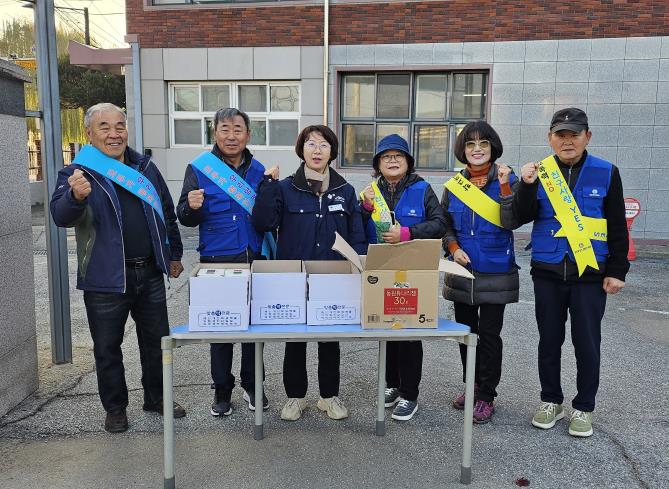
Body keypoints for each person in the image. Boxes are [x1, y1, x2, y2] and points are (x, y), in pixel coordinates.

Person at [50, 103, 185, 433]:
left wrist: (173, 253)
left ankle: (157, 397)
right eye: (105, 127)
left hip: (149, 272)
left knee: (157, 342)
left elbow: (166, 211)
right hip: (104, 278)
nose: (114, 133)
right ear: (89, 134)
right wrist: (75, 198)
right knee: (107, 348)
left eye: (120, 126)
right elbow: (60, 216)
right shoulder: (78, 172)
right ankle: (115, 408)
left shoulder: (144, 167)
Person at [514, 107, 629, 437]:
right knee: (549, 341)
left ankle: (584, 407)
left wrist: (618, 270)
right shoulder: (540, 172)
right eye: (560, 135)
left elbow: (617, 224)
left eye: (574, 134)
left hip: (590, 274)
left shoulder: (607, 172)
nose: (567, 141)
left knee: (587, 343)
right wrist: (525, 185)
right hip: (548, 271)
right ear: (550, 139)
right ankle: (551, 400)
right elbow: (520, 216)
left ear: (587, 137)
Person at [253, 125, 367, 421]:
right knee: (295, 338)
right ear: (301, 150)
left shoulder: (345, 190)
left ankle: (328, 397)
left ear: (332, 152)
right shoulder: (285, 188)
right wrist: (267, 186)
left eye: (324, 145)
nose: (317, 150)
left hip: (334, 276)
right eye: (311, 144)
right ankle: (295, 397)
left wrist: (359, 269)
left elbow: (356, 235)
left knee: (330, 338)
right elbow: (264, 222)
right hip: (295, 275)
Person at [177, 108, 268, 416]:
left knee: (254, 328)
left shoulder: (258, 170)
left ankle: (253, 385)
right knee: (220, 327)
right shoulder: (199, 168)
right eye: (225, 129)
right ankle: (222, 389)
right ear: (214, 133)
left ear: (248, 135)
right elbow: (184, 216)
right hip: (217, 258)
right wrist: (191, 206)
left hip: (253, 256)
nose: (231, 136)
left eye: (238, 129)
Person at [360, 134, 447, 422]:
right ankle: (393, 384)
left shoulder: (422, 189)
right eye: (386, 157)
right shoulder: (371, 192)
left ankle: (410, 393)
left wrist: (408, 233)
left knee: (409, 331)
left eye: (398, 156)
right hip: (381, 269)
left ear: (408, 162)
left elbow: (440, 224)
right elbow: (357, 227)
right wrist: (365, 210)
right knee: (386, 329)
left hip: (414, 270)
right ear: (378, 164)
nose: (393, 160)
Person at [440, 121, 521, 424]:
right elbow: (444, 224)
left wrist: (505, 187)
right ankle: (472, 385)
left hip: (496, 270)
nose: (477, 149)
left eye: (483, 144)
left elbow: (513, 221)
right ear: (462, 150)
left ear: (492, 147)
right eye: (470, 144)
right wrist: (452, 247)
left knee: (489, 335)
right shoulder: (454, 186)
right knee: (466, 334)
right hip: (462, 269)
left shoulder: (507, 179)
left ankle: (487, 394)